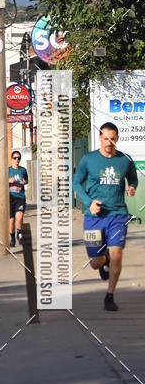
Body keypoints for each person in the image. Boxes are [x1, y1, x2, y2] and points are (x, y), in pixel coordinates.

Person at [72, 122, 138, 312]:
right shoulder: (88, 159)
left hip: (118, 214)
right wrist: (88, 202)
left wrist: (132, 186)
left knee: (117, 254)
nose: (109, 142)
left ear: (117, 139)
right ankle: (104, 260)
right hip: (93, 218)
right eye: (105, 138)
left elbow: (133, 178)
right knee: (95, 263)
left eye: (112, 138)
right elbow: (76, 183)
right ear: (100, 138)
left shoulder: (125, 159)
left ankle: (110, 296)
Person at [9, 150, 28, 247]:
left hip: (20, 197)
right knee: (11, 221)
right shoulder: (8, 170)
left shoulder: (23, 170)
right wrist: (8, 180)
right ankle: (12, 238)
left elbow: (26, 181)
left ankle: (19, 234)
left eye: (19, 158)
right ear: (11, 159)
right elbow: (2, 181)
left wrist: (24, 182)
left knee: (19, 217)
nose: (17, 160)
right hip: (10, 198)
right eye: (15, 158)